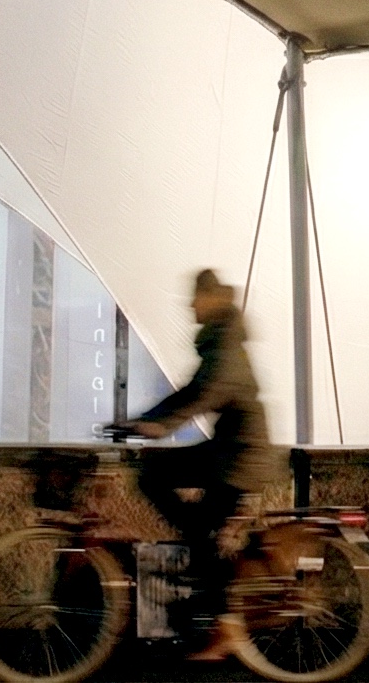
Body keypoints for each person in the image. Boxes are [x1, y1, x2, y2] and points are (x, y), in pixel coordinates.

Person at [109, 269, 284, 661]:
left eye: (196, 297)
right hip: (230, 452)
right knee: (165, 485)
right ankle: (200, 550)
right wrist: (143, 421)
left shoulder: (225, 347)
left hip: (239, 460)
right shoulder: (222, 341)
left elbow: (205, 393)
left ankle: (226, 626)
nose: (191, 305)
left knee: (162, 484)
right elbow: (192, 392)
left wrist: (158, 424)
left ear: (212, 300)